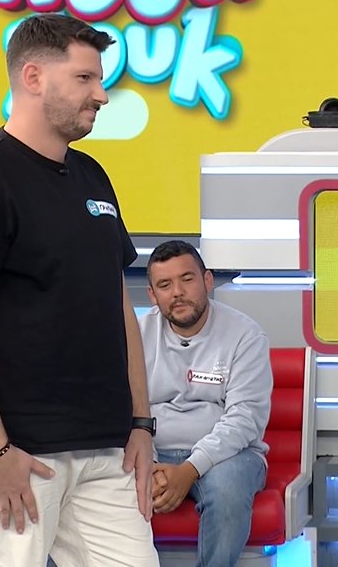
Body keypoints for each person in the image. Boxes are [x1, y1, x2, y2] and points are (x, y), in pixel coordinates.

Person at [0, 13, 158, 567]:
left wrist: (141, 424)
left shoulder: (93, 176)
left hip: (105, 446)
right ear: (33, 77)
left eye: (100, 80)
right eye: (84, 79)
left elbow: (117, 305)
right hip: (20, 451)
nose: (101, 95)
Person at [140, 241, 272, 567]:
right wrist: (151, 466)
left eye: (187, 279)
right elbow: (129, 411)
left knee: (227, 491)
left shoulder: (245, 335)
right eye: (165, 285)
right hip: (150, 452)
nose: (178, 293)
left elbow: (244, 418)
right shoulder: (137, 335)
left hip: (229, 456)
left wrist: (189, 470)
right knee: (95, 483)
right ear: (153, 295)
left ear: (207, 280)